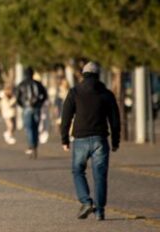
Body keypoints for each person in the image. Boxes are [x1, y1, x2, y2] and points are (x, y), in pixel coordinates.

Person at [60, 62, 120, 221]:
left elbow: (66, 117)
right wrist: (115, 141)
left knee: (78, 170)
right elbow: (115, 119)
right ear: (98, 75)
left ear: (83, 74)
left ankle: (86, 201)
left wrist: (64, 139)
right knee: (100, 175)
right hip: (100, 139)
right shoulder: (106, 93)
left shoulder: (75, 92)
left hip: (80, 139)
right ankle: (100, 211)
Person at [16, 67, 48, 158]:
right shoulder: (38, 84)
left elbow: (17, 98)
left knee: (29, 128)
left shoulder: (22, 84)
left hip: (27, 108)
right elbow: (45, 95)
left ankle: (31, 145)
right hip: (37, 108)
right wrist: (39, 104)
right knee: (36, 127)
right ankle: (35, 145)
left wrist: (23, 106)